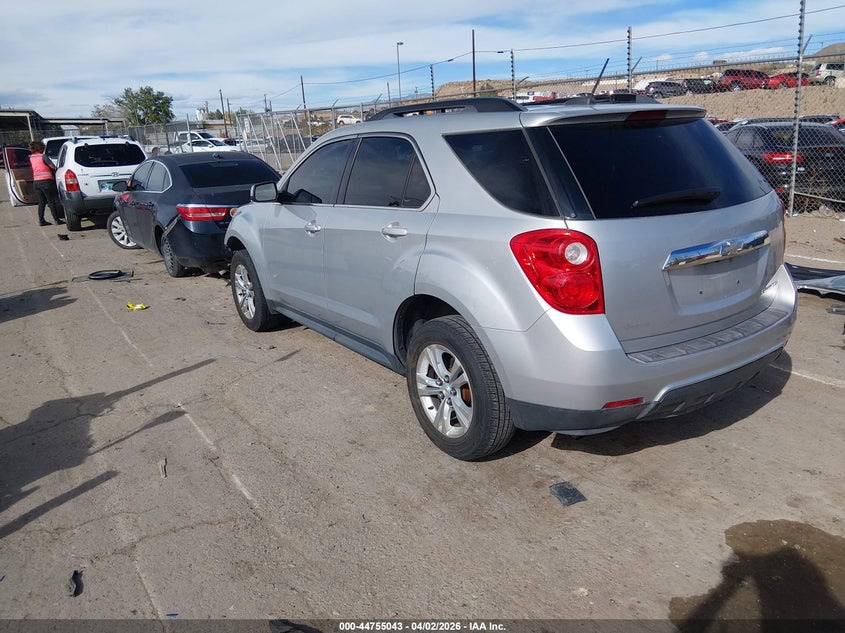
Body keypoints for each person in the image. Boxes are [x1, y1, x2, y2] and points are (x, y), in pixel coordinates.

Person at [28, 140, 62, 226]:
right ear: (41, 148)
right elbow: (52, 166)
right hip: (46, 181)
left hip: (36, 182)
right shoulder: (43, 156)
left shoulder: (32, 157)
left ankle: (41, 220)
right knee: (51, 201)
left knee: (41, 202)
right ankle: (57, 220)